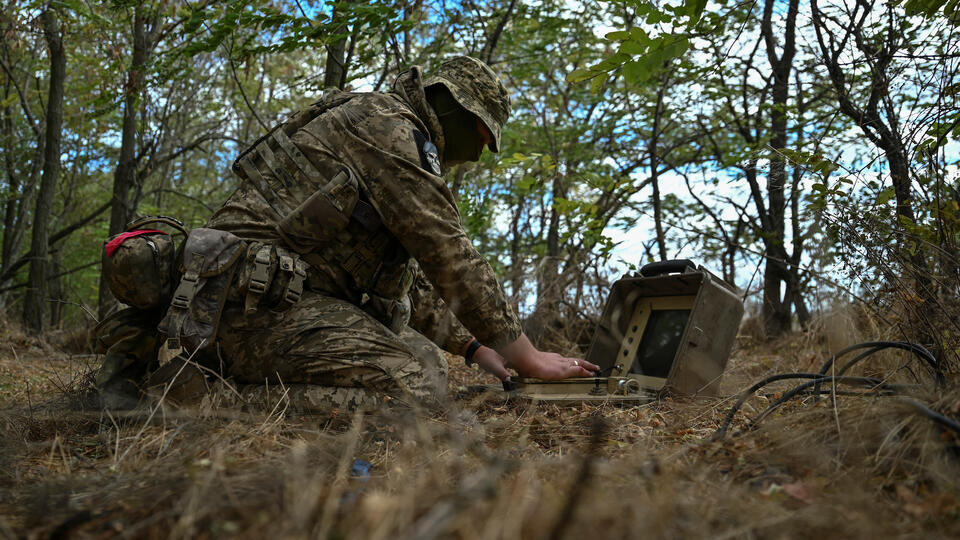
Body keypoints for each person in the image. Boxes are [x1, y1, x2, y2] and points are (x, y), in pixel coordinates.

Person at [95, 56, 598, 411]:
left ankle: (189, 364)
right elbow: (448, 252)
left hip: (268, 299)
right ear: (452, 107)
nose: (479, 153)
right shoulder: (390, 129)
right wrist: (526, 355)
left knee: (429, 365)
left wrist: (476, 348)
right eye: (483, 137)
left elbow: (405, 277)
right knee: (412, 389)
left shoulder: (381, 124)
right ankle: (198, 391)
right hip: (245, 305)